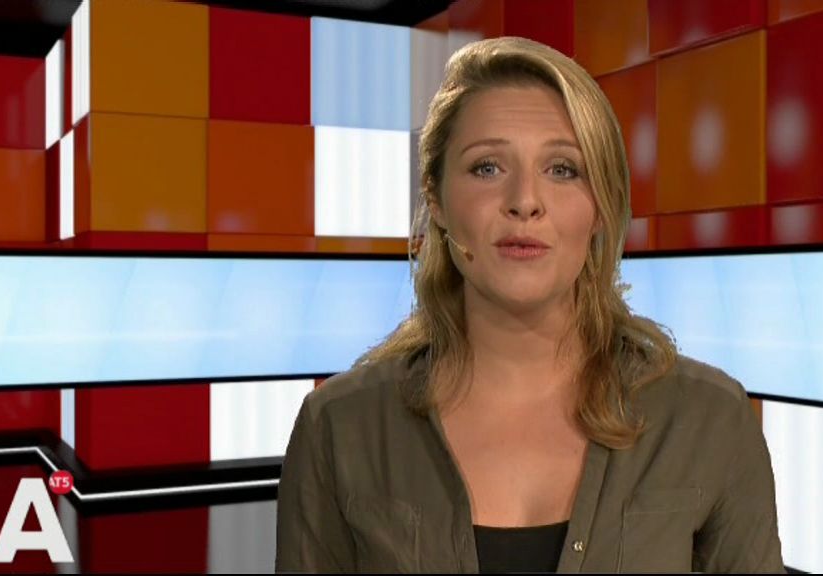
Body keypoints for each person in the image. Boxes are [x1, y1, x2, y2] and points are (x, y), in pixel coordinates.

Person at [276, 36, 785, 573]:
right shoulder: (338, 428)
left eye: (563, 169)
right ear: (436, 199)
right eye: (487, 167)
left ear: (601, 206)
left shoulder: (710, 420)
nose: (524, 201)